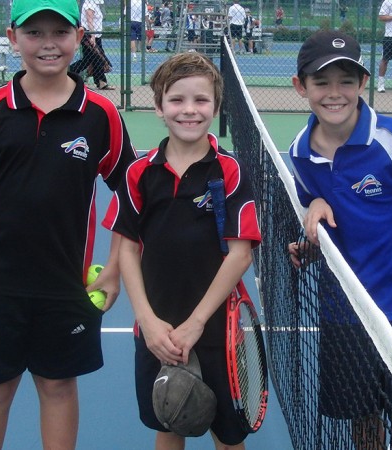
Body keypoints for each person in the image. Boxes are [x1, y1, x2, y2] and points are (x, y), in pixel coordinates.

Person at [0, 0, 137, 447]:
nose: (48, 43)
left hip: (66, 285)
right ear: (13, 38)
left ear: (79, 37)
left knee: (59, 386)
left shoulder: (101, 115)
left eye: (60, 32)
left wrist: (115, 268)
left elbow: (131, 195)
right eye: (34, 32)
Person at [287, 30, 392, 447]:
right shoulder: (300, 153)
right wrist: (310, 238)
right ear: (301, 86)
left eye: (346, 81)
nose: (334, 93)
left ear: (363, 82)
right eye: (321, 82)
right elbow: (324, 224)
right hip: (342, 311)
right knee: (363, 422)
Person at [103, 51, 261, 450]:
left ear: (216, 107)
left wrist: (195, 323)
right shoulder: (139, 173)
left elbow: (240, 254)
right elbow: (127, 251)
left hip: (218, 330)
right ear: (159, 107)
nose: (189, 110)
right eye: (177, 100)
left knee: (228, 436)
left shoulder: (230, 171)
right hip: (157, 331)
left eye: (201, 100)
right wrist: (148, 322)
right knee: (169, 423)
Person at [69, 0, 115, 90]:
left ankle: (101, 82)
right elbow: (89, 21)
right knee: (90, 59)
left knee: (94, 59)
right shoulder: (89, 5)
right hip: (89, 36)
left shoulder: (95, 4)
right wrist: (92, 36)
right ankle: (68, 71)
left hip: (96, 36)